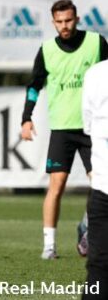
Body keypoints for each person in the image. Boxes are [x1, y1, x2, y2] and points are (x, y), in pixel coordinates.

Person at [21, 0, 108, 260]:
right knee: (56, 186)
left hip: (92, 128)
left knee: (101, 184)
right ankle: (49, 245)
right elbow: (34, 86)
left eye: (68, 20)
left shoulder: (96, 43)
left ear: (77, 19)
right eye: (59, 22)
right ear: (53, 22)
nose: (64, 26)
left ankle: (87, 226)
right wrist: (26, 118)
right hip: (61, 128)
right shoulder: (47, 50)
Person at [81, 58, 108, 300]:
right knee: (98, 267)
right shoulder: (96, 74)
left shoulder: (95, 74)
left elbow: (88, 125)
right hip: (102, 189)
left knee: (99, 266)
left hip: (102, 190)